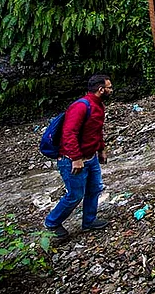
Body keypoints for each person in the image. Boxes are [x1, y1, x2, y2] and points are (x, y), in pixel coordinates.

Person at [45, 74, 112, 240]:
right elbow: (69, 133)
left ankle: (89, 221)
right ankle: (52, 222)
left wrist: (101, 149)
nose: (111, 90)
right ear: (100, 89)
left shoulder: (99, 105)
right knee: (75, 195)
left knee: (94, 188)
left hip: (91, 157)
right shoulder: (81, 106)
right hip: (72, 160)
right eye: (109, 87)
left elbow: (95, 130)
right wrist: (75, 158)